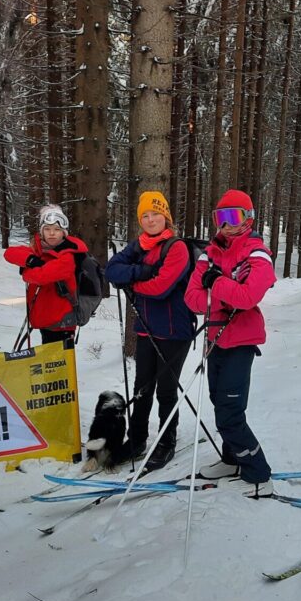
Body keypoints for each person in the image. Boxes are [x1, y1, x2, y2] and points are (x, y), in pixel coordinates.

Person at [184, 190, 277, 498]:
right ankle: (232, 459)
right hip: (216, 338)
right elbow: (192, 298)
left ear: (248, 218)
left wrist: (216, 284)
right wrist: (226, 297)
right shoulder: (209, 253)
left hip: (241, 341)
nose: (226, 224)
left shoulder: (257, 253)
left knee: (230, 411)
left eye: (234, 216)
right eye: (220, 217)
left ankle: (259, 472)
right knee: (218, 400)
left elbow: (249, 297)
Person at [106, 191, 196, 471]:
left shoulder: (177, 248)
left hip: (174, 330)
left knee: (166, 391)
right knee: (142, 389)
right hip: (146, 329)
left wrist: (132, 282)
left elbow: (161, 288)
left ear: (166, 216)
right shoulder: (139, 246)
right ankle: (137, 440)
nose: (150, 219)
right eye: (145, 215)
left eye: (156, 213)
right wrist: (141, 272)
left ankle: (167, 442)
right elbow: (112, 270)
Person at [3, 204, 89, 345]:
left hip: (62, 322)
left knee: (59, 358)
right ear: (42, 231)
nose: (52, 233)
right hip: (48, 319)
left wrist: (26, 269)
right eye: (47, 229)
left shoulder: (68, 256)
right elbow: (9, 253)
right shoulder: (39, 250)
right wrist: (30, 260)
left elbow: (40, 277)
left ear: (64, 233)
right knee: (49, 358)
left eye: (57, 229)